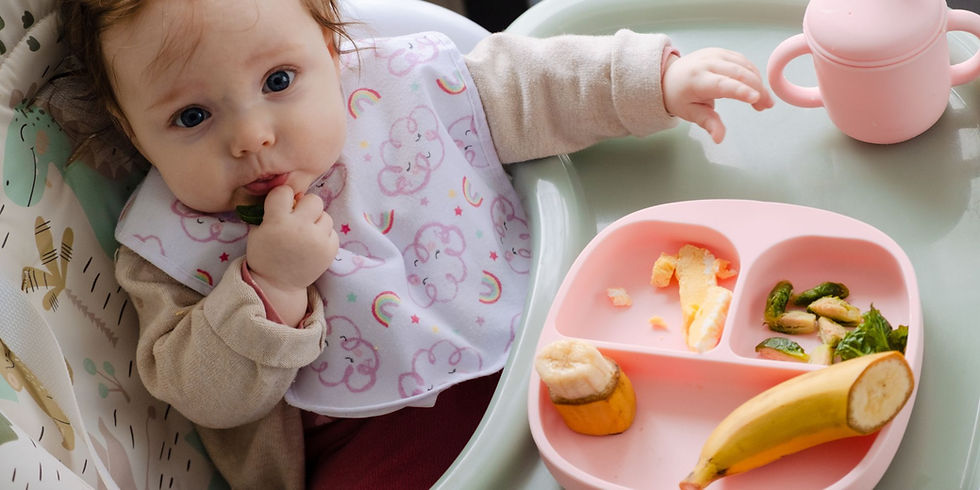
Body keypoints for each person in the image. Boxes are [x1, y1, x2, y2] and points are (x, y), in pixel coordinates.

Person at [58, 0, 773, 487]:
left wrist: (654, 80)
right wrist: (270, 290)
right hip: (366, 441)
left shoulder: (402, 86)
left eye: (279, 80)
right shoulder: (162, 245)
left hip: (540, 344)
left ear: (333, 48)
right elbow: (200, 393)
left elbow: (535, 87)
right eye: (190, 116)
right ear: (130, 130)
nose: (251, 135)